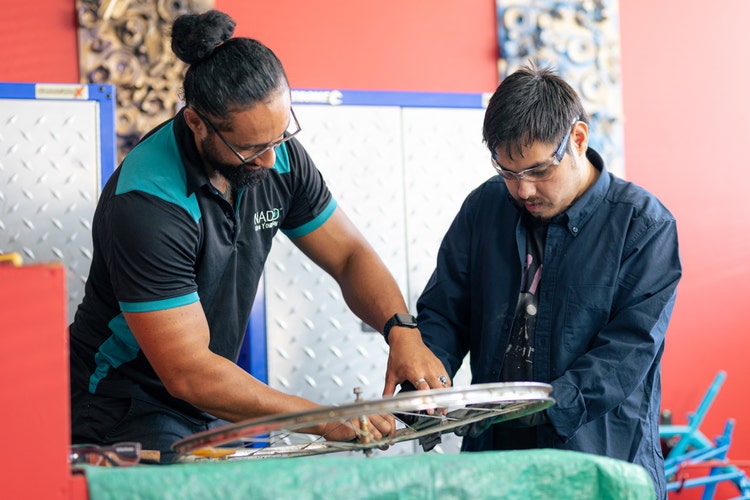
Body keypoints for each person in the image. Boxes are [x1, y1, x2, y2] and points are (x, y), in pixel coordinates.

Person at [68, 9, 447, 462]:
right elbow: (188, 373)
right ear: (196, 124)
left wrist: (402, 331)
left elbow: (348, 255)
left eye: (279, 136)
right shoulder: (148, 205)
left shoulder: (276, 154)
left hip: (203, 397)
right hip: (124, 402)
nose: (269, 161)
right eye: (249, 148)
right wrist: (324, 417)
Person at [412, 62, 681, 498]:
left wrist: (540, 406)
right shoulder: (484, 208)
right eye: (508, 172)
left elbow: (629, 350)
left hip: (600, 464)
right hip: (493, 463)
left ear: (577, 139)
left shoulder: (643, 226)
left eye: (537, 171)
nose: (522, 191)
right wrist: (423, 387)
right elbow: (445, 311)